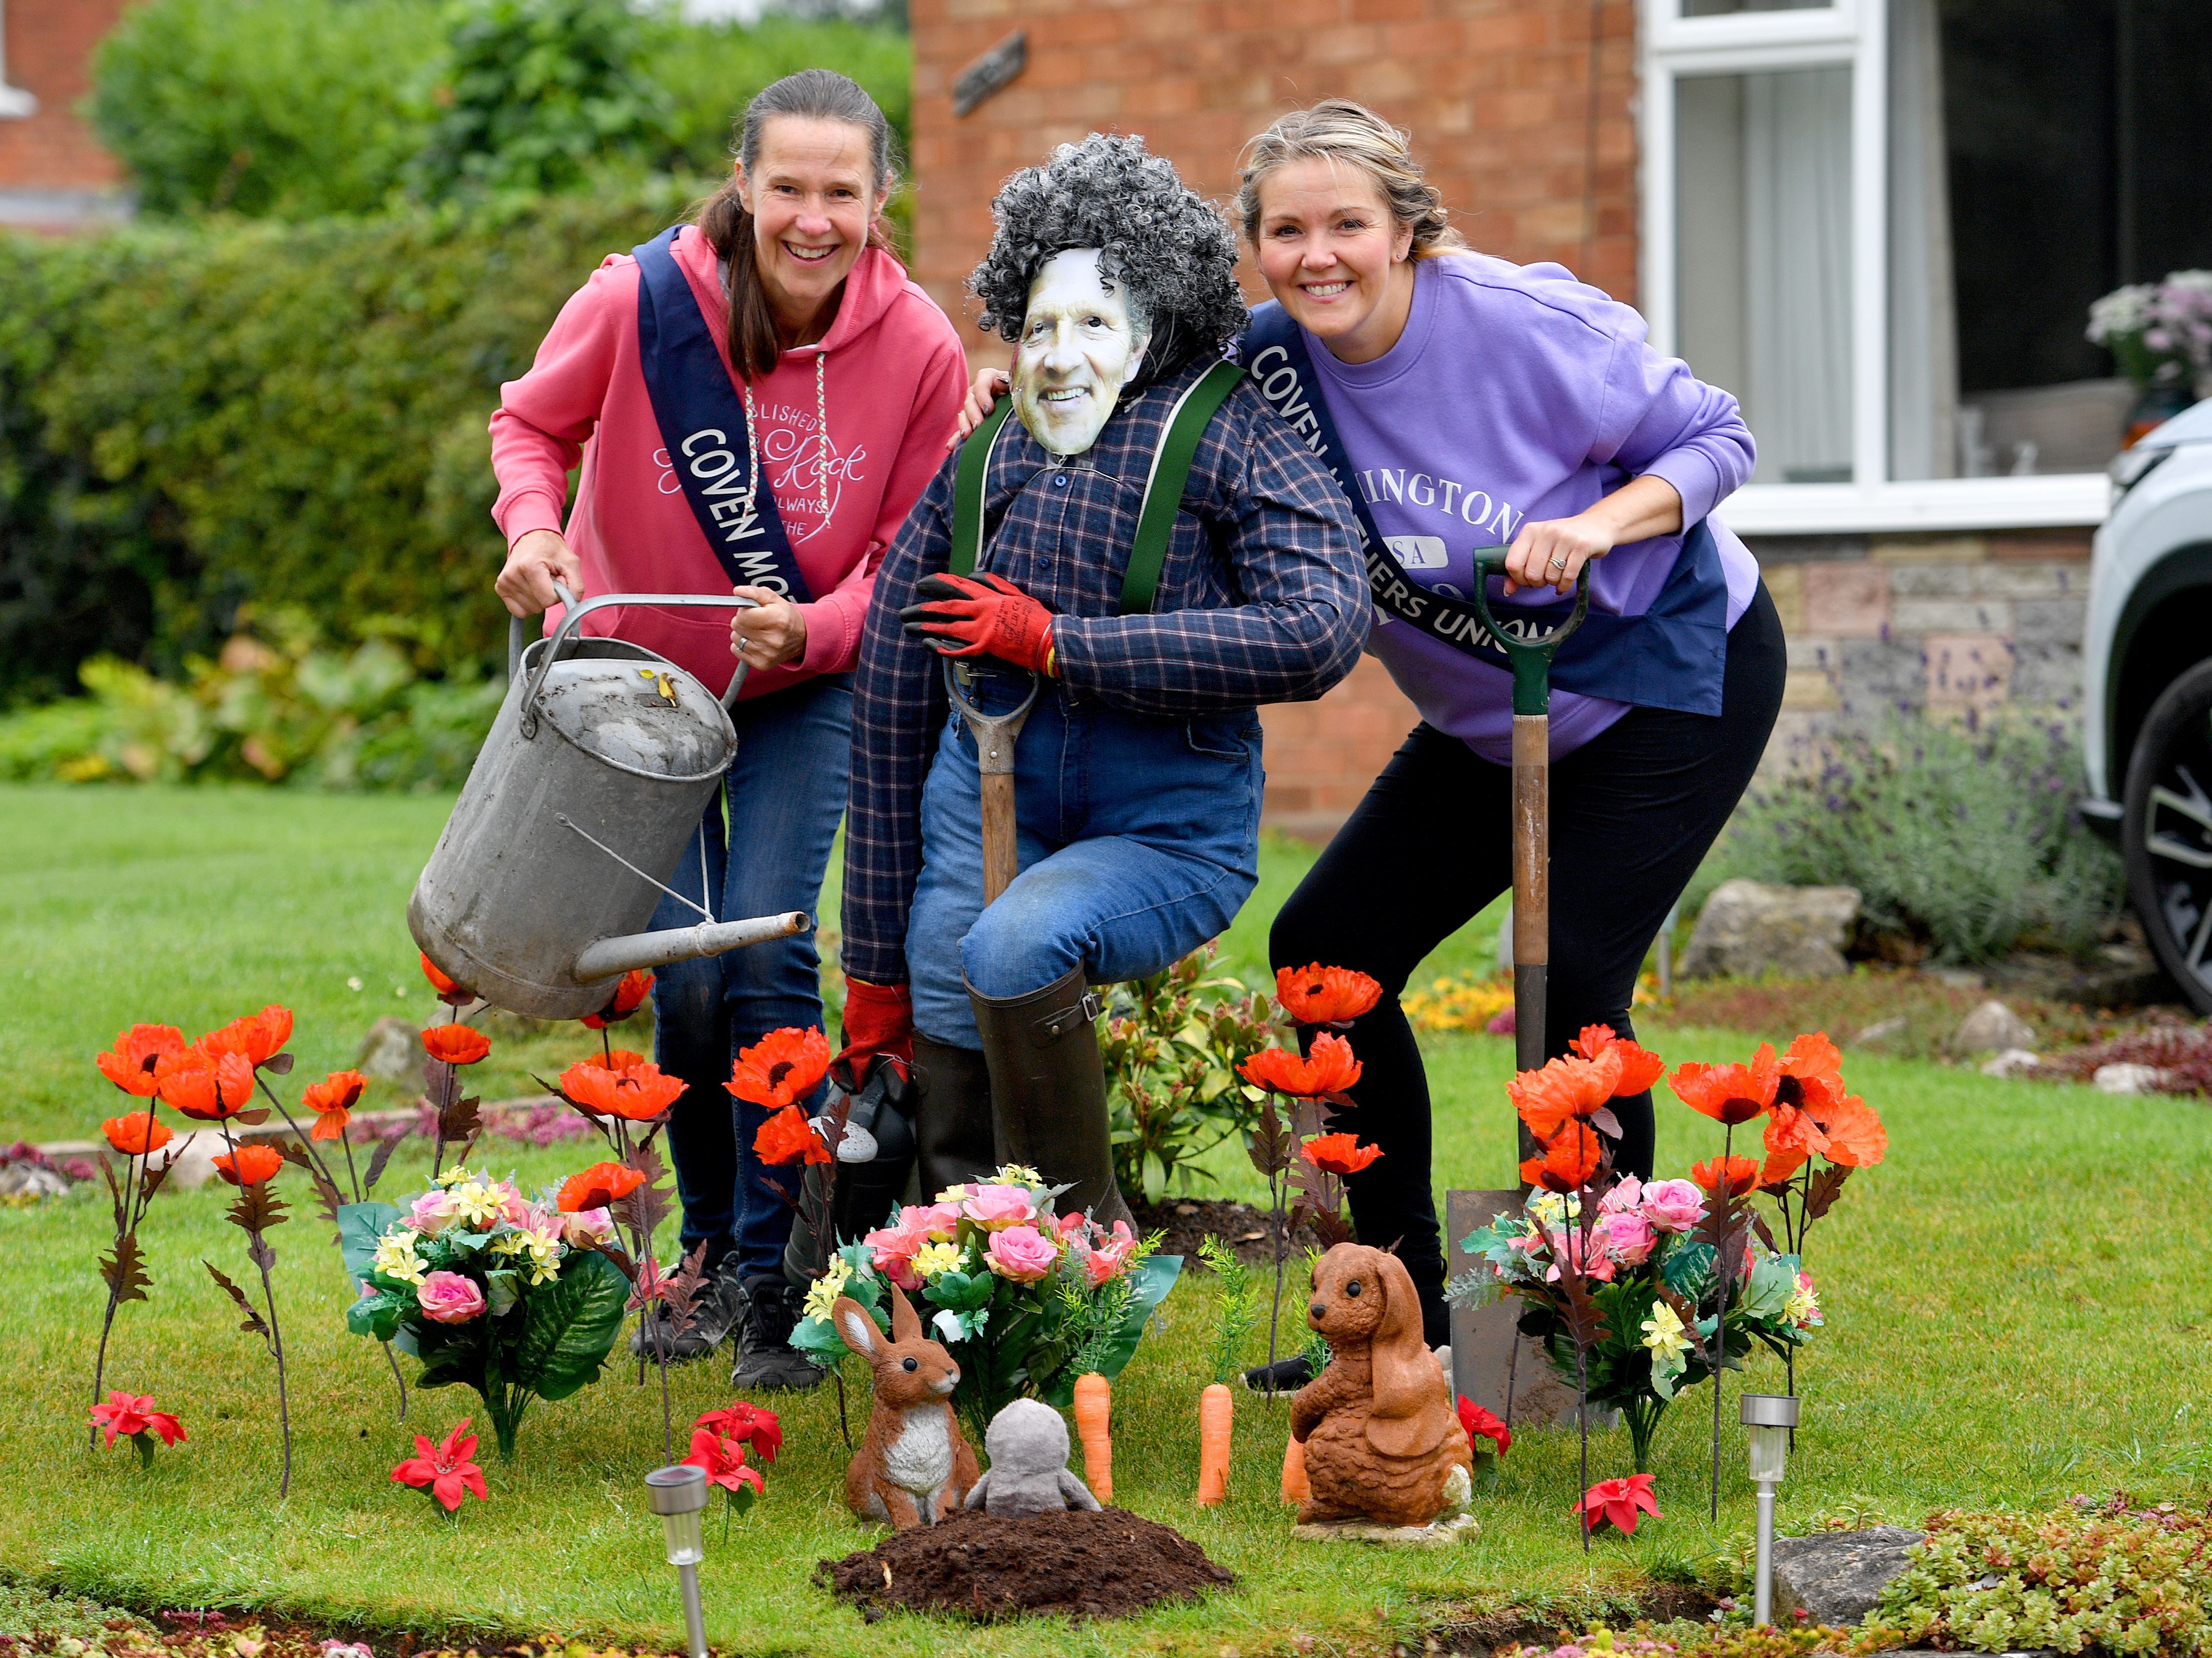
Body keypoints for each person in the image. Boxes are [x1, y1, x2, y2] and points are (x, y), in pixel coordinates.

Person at [954, 98, 1782, 1374]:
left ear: (1406, 229)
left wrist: (1595, 528)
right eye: (1285, 231)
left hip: (1666, 674)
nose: (1317, 255)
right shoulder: (1265, 363)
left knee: (1570, 979)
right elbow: (1135, 398)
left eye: (1347, 223)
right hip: (1491, 712)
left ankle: (1621, 1322)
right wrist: (1027, 389)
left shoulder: (1519, 324)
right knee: (1327, 951)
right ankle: (1406, 1309)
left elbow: (1718, 436)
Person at [487, 69, 967, 1391]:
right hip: (633, 696)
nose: (813, 219)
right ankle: (704, 1250)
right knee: (685, 977)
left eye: (841, 192)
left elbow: (906, 557)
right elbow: (529, 423)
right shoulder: (640, 301)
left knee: (761, 948)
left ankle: (778, 1276)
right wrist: (531, 528)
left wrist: (812, 630)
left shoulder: (920, 346)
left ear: (879, 199)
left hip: (802, 688)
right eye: (788, 187)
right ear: (744, 185)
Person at [833, 134, 1368, 1228]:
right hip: (986, 778)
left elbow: (1319, 629)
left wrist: (1061, 646)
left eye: (1094, 323)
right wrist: (872, 964)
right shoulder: (991, 447)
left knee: (1015, 944)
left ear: (1158, 316)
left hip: (1166, 819)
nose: (1059, 355)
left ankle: (1082, 1252)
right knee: (943, 977)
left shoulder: (1230, 432)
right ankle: (967, 1270)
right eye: (1040, 325)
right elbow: (890, 701)